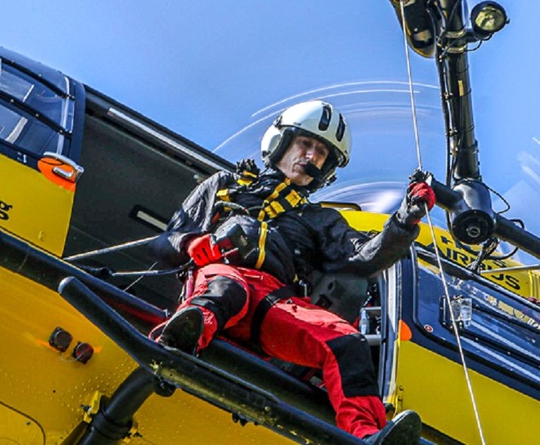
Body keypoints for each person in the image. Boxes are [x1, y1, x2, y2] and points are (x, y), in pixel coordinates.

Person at [150, 100, 435, 444]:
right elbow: (165, 242)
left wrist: (405, 219)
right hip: (220, 278)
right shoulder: (225, 185)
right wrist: (192, 245)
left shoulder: (320, 219)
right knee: (228, 288)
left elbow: (365, 257)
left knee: (346, 342)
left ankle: (366, 435)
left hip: (274, 303)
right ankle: (176, 344)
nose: (312, 156)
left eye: (321, 153)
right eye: (305, 144)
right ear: (282, 142)